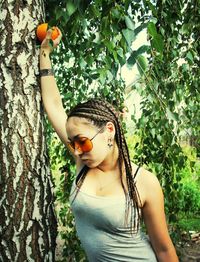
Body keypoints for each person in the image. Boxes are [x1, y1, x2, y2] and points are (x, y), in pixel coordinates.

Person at [39, 28, 179, 262]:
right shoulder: (83, 161)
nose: (75, 150)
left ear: (109, 132)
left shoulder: (144, 182)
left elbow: (164, 250)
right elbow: (53, 104)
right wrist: (45, 53)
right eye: (72, 143)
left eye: (82, 142)